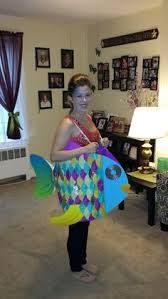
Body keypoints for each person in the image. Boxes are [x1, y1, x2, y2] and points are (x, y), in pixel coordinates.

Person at [50, 73, 109, 283]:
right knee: (76, 224)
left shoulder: (88, 117)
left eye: (87, 94)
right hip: (74, 184)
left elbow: (91, 144)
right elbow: (54, 155)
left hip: (88, 181)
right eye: (79, 96)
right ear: (70, 98)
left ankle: (81, 259)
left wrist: (101, 144)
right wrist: (85, 149)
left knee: (85, 222)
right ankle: (75, 268)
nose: (84, 100)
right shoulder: (68, 123)